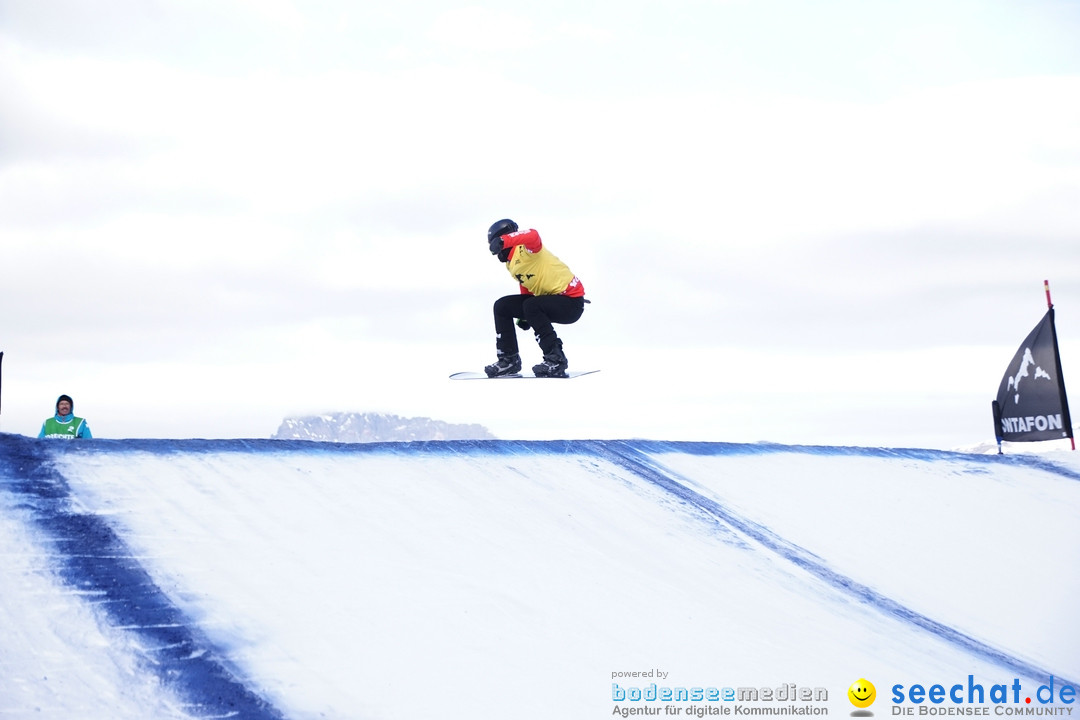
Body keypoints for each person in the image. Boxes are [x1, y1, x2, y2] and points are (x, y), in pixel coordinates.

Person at [484, 219, 586, 378]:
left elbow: (533, 235)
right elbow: (527, 283)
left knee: (531, 305)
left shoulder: (526, 249)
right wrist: (524, 315)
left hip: (571, 302)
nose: (498, 255)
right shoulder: (511, 264)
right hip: (548, 301)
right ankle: (509, 360)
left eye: (497, 248)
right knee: (502, 306)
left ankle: (556, 360)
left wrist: (504, 240)